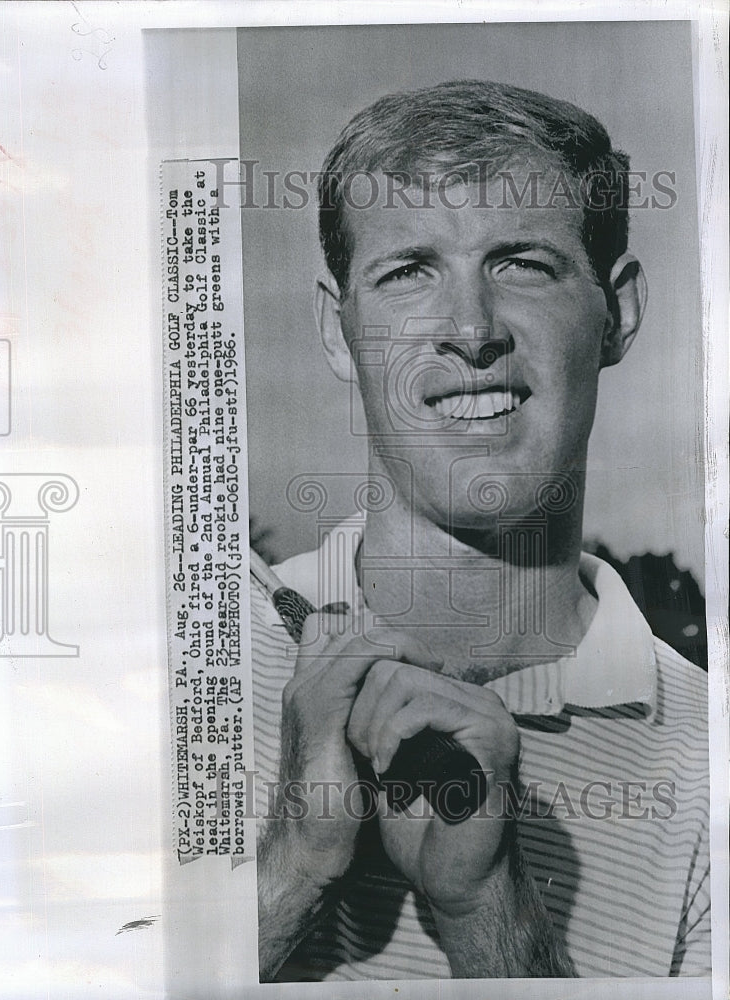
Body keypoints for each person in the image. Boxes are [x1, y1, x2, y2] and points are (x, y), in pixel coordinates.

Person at [250, 80, 710, 981]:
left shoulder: (712, 762)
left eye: (522, 264)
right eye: (408, 271)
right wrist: (295, 861)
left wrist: (486, 906)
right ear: (337, 331)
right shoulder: (181, 651)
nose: (469, 330)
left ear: (615, 314)